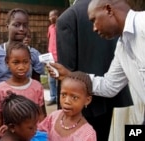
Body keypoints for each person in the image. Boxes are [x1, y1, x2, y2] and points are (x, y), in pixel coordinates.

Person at [49, 0, 145, 134]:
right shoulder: (121, 48)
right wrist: (70, 76)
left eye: (94, 20)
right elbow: (109, 86)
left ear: (108, 10)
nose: (94, 28)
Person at [0, 8, 45, 129]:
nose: (21, 29)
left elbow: (37, 88)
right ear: (7, 26)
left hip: (27, 114)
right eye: (16, 25)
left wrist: (42, 121)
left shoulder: (34, 55)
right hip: (1, 113)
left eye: (25, 25)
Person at [0, 41, 46, 141]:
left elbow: (41, 114)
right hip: (13, 136)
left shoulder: (37, 86)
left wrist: (43, 134)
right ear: (7, 62)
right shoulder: (0, 89)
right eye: (16, 62)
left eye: (25, 62)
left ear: (30, 61)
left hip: (34, 136)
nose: (21, 67)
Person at [38, 71, 96, 141]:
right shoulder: (53, 117)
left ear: (87, 100)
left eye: (74, 97)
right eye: (63, 95)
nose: (66, 101)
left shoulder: (87, 134)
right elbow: (38, 133)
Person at [46, 9, 58, 106]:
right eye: (49, 16)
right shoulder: (50, 28)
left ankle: (59, 98)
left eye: (52, 16)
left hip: (59, 57)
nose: (50, 18)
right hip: (50, 57)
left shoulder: (62, 27)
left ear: (57, 16)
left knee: (59, 78)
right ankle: (53, 97)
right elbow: (49, 39)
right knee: (51, 79)